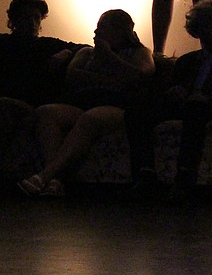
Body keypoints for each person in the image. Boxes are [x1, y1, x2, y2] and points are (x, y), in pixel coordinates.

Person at [125, 0, 212, 198]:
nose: (210, 33)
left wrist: (209, 101)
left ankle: (185, 176)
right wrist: (175, 93)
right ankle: (145, 174)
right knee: (137, 112)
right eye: (204, 27)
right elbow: (172, 91)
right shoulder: (187, 62)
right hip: (189, 105)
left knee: (196, 108)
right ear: (197, 30)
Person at [18, 10, 155, 197]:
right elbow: (73, 75)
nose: (96, 33)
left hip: (118, 107)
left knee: (90, 118)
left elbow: (140, 76)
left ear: (120, 31)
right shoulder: (86, 52)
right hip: (83, 103)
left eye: (103, 28)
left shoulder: (139, 53)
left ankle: (44, 176)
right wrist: (110, 78)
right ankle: (56, 181)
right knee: (46, 112)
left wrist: (109, 58)